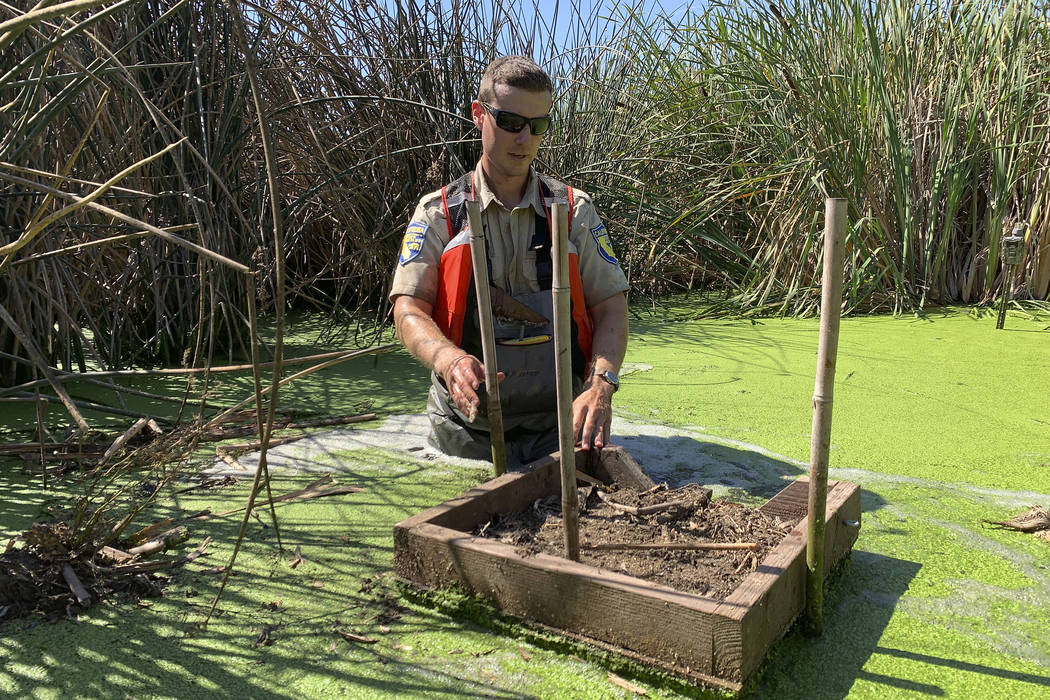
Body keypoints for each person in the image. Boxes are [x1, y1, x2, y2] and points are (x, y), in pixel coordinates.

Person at [390, 55, 628, 468]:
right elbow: (408, 309)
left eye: (538, 126)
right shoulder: (439, 213)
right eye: (511, 122)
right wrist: (450, 360)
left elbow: (611, 306)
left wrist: (601, 384)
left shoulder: (574, 211)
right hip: (464, 433)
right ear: (479, 116)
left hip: (561, 429)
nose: (525, 139)